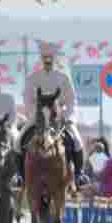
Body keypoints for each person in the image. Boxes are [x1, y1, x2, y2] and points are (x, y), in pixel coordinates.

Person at [15, 42, 89, 189]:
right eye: (45, 58)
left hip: (59, 119)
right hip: (38, 118)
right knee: (18, 142)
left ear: (54, 58)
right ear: (42, 59)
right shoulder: (33, 78)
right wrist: (34, 116)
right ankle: (19, 177)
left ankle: (80, 175)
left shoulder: (63, 77)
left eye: (50, 58)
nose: (47, 61)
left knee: (77, 141)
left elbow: (71, 100)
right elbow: (28, 99)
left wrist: (68, 118)